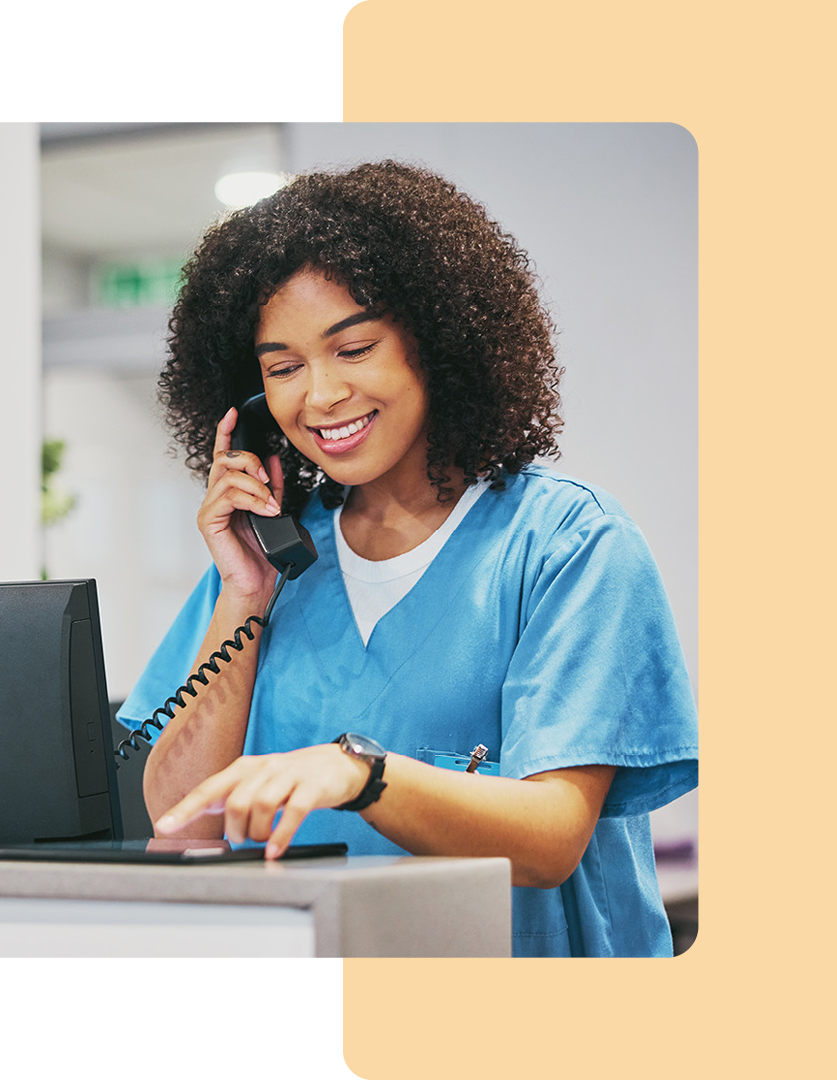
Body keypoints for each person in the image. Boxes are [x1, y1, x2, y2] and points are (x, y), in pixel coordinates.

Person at [117, 160, 698, 957]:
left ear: (437, 340)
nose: (318, 396)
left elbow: (552, 835)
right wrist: (245, 592)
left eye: (353, 348)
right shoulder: (269, 563)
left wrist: (363, 773)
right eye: (282, 368)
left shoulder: (568, 543)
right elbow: (181, 819)